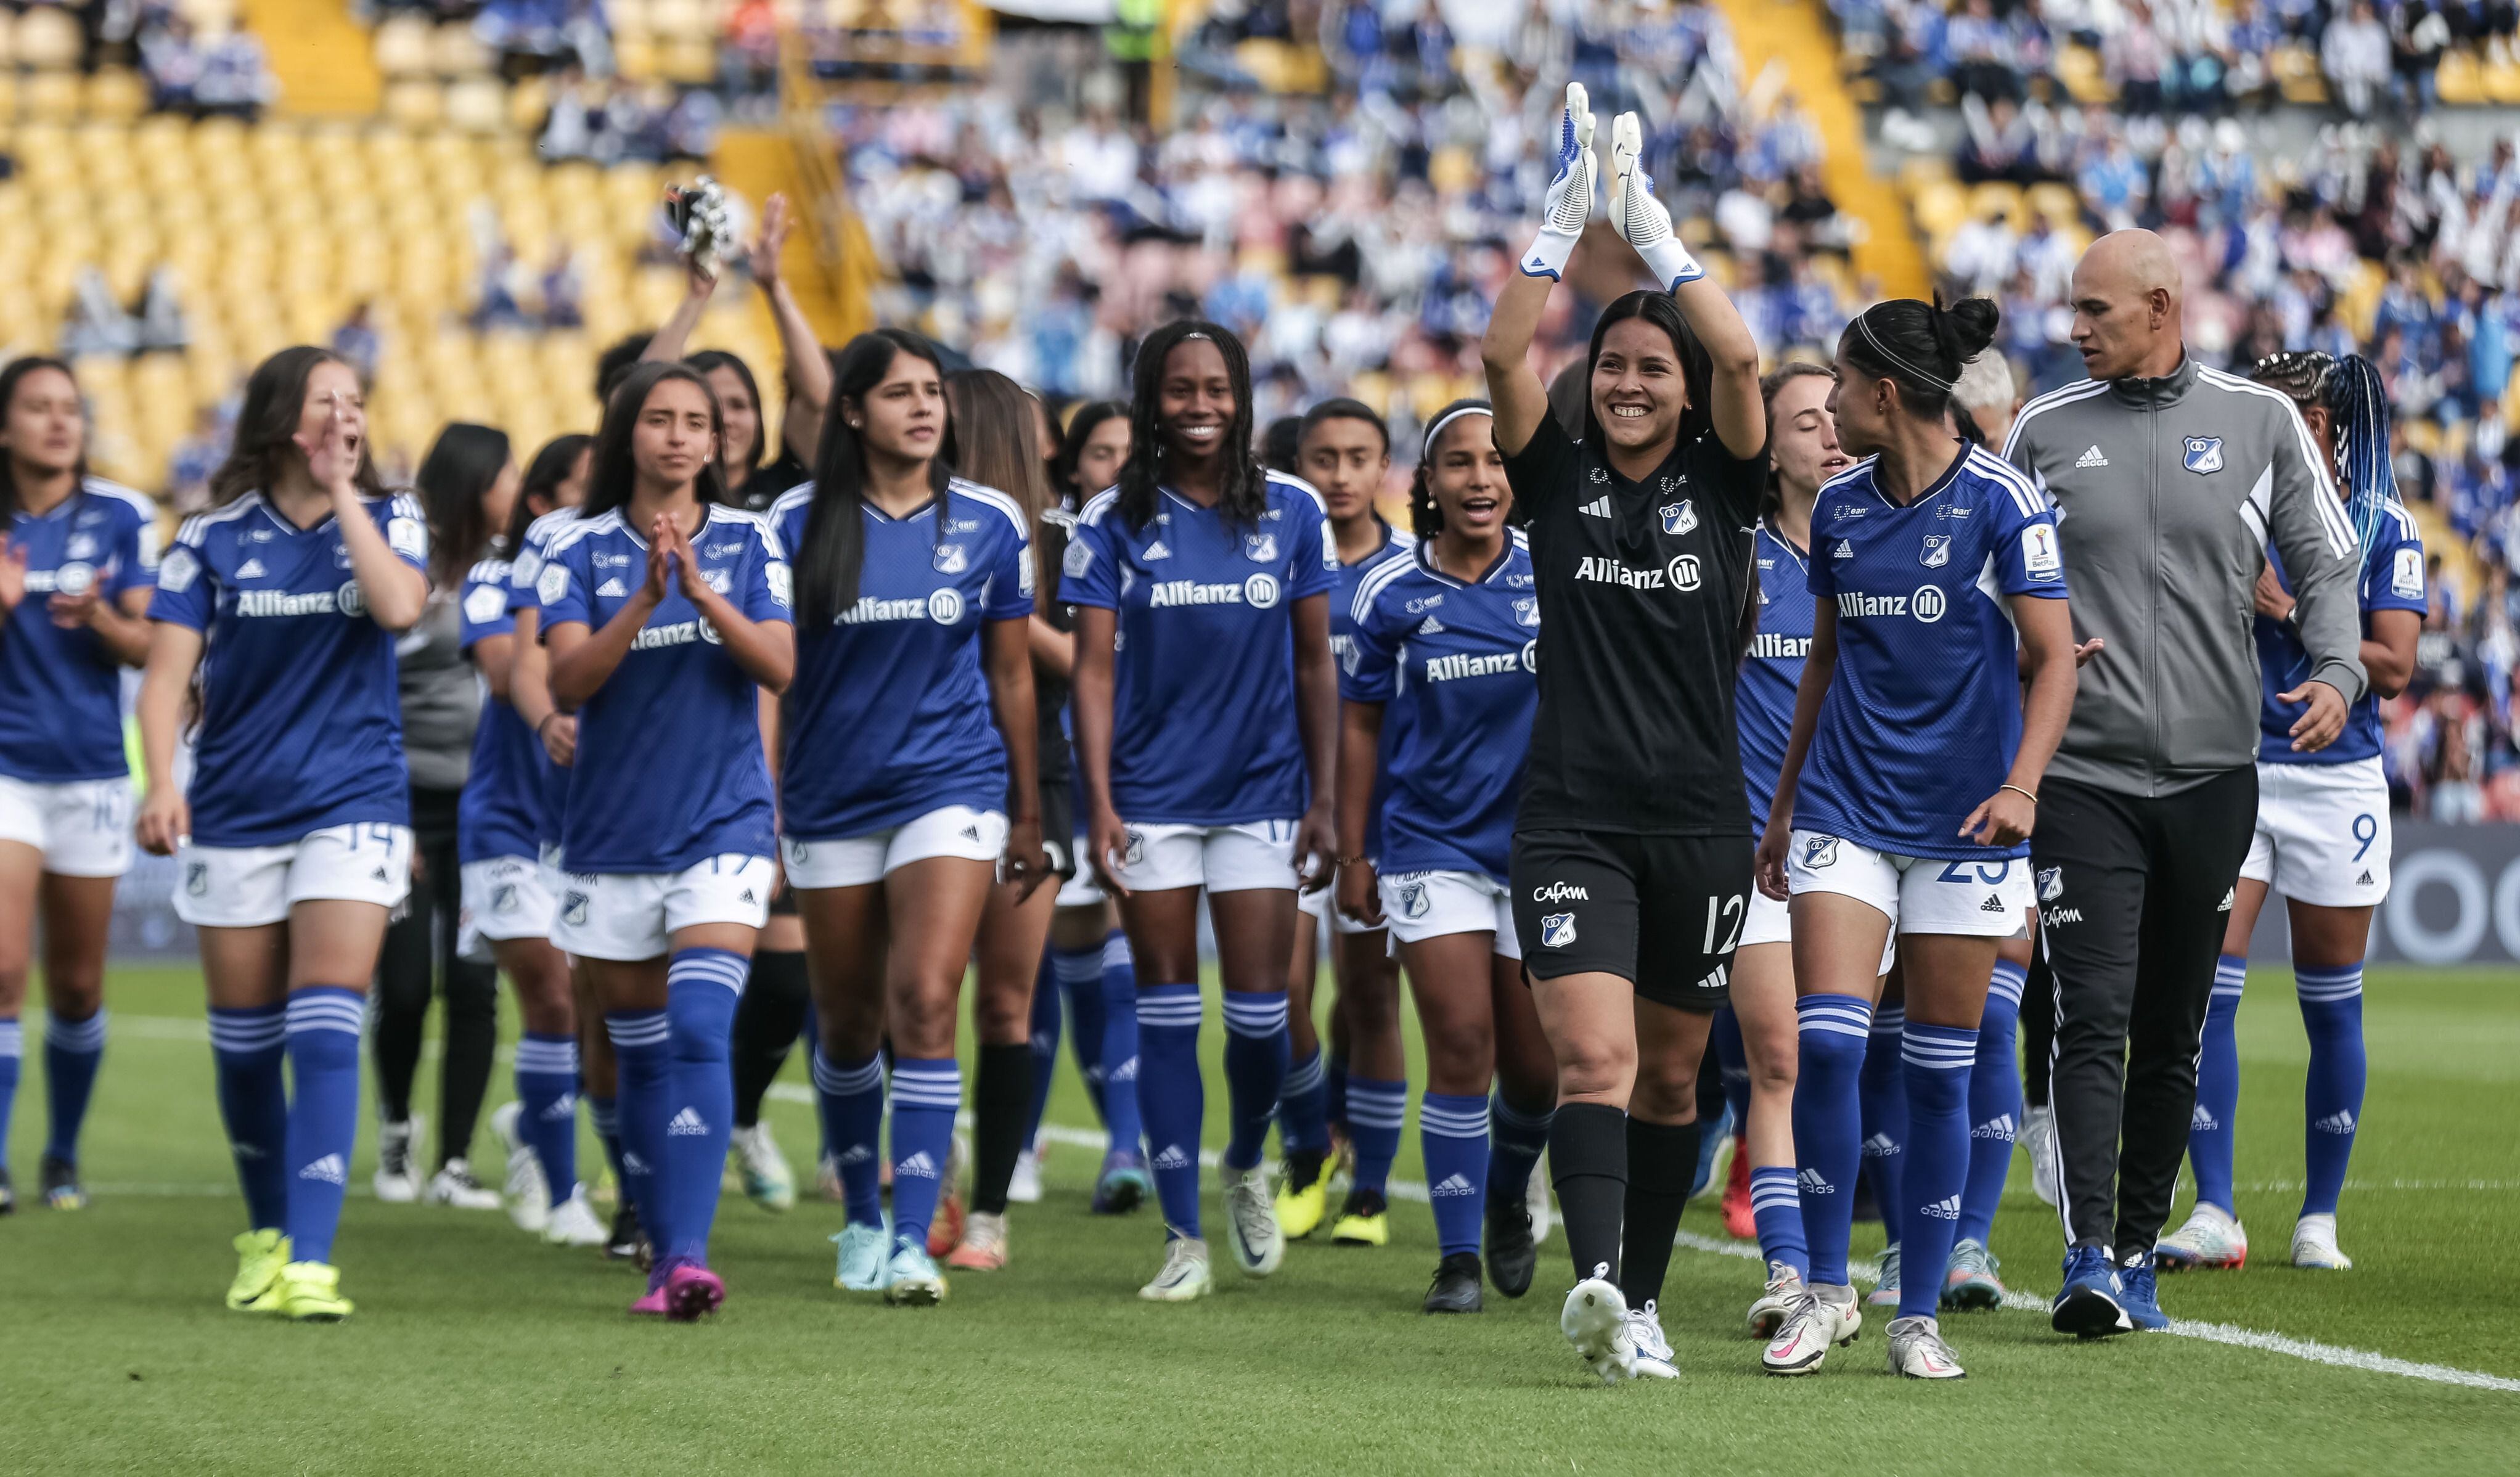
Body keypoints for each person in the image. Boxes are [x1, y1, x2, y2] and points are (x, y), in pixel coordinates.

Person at [2002, 230, 2367, 1338]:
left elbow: (2327, 558)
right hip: (2083, 777)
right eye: (2071, 311)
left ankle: (2133, 1253)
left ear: (2159, 306)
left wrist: (2340, 669)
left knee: (2171, 1026)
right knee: (2091, 1013)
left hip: (2215, 776)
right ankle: (2085, 1253)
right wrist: (2027, 655)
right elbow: (1988, 579)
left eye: (2094, 312)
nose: (2073, 329)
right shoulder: (2041, 430)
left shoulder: (2257, 424)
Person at [1480, 91, 1767, 1381]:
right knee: (1589, 1055)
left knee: (1670, 1082)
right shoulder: (1552, 477)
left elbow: (1745, 360)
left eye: (1654, 367)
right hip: (1573, 818)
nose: (1633, 382)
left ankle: (1637, 1297)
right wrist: (1555, 234)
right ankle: (1594, 1282)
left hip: (1701, 824)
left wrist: (1656, 238)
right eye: (1613, 366)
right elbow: (1498, 362)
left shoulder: (1727, 473)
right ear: (1589, 383)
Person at [1751, 297, 2077, 1381]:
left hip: (1963, 824)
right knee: (1830, 1045)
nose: (1829, 406)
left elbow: (2055, 657)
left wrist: (2022, 787)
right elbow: (1824, 661)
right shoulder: (1841, 508)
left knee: (1942, 1070)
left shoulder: (2002, 505)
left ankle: (1917, 1313)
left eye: (1839, 386)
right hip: (1844, 808)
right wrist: (1787, 800)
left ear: (1884, 394)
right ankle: (1826, 1293)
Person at [137, 345, 432, 1320]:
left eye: (356, 401)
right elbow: (166, 678)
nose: (346, 415)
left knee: (325, 1019)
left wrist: (347, 495)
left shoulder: (394, 518)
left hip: (353, 803)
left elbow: (397, 608)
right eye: (326, 401)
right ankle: (266, 1236)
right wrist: (162, 784)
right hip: (234, 809)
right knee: (244, 1045)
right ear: (280, 420)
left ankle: (312, 1259)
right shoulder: (210, 537)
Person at [1068, 319, 1341, 1302]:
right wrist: (1096, 801)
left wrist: (1325, 799)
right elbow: (1090, 675)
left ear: (1243, 398)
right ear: (1150, 401)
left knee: (1264, 1019)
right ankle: (1184, 1238)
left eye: (1216, 389)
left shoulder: (1295, 509)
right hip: (1149, 800)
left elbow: (1319, 664)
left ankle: (1244, 1163)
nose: (1199, 406)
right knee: (1169, 1014)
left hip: (1264, 796)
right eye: (1179, 390)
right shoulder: (1109, 521)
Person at [771, 331, 1044, 1303]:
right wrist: (766, 811)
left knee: (927, 1000)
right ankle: (858, 1219)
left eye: (933, 391)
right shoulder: (793, 525)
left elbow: (1012, 672)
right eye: (898, 394)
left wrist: (1025, 808)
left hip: (952, 788)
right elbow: (774, 686)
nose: (924, 408)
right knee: (848, 1025)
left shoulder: (991, 521)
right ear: (852, 411)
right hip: (829, 799)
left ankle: (915, 1241)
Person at [539, 361, 795, 1319]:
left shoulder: (750, 540)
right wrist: (646, 599)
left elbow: (778, 666)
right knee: (639, 1058)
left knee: (697, 1031)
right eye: (660, 419)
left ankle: (688, 1254)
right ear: (626, 435)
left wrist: (702, 592)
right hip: (612, 836)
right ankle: (660, 1250)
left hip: (723, 827)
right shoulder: (574, 550)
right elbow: (567, 685)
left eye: (698, 421)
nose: (682, 435)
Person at [2159, 353, 2423, 1276]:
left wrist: (2290, 606)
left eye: (2293, 415)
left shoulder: (2383, 523)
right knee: (2206, 989)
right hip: (2232, 765)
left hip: (2335, 778)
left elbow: (2392, 664)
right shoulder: (2229, 512)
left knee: (2331, 1003)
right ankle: (2216, 1209)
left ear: (2325, 426)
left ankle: (2319, 1218)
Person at [1335, 400, 1557, 1312]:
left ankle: (1510, 1187)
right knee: (1460, 1043)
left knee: (1538, 1072)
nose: (1481, 479)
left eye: (1497, 462)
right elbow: (1357, 726)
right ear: (1426, 483)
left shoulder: (1554, 575)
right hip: (1430, 843)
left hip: (1543, 845)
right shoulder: (1388, 591)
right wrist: (1358, 848)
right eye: (1459, 463)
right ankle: (1457, 1258)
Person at [648, 198, 827, 1214]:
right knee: (646, 996)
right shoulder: (659, 501)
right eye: (692, 408)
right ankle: (646, 1171)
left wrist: (771, 285)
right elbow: (636, 394)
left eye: (732, 407)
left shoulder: (788, 503)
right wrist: (695, 299)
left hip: (795, 735)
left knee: (788, 982)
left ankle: (741, 1114)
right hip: (679, 747)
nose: (721, 423)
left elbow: (822, 396)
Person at [0, 358, 156, 1214]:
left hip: (93, 770)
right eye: (37, 408)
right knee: (1, 968)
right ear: (6, 425)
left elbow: (153, 647)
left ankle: (62, 1155)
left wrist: (99, 617)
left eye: (70, 408)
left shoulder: (123, 514)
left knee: (79, 986)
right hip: (5, 771)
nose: (59, 422)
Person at [1720, 362, 1847, 1336]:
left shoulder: (1883, 549)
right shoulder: (1738, 559)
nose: (1831, 433)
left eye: (1838, 415)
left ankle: (1864, 1262)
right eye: (1807, 422)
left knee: (1863, 1065)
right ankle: (1789, 1270)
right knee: (1778, 1058)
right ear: (1770, 449)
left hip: (1864, 849)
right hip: (1757, 854)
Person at [456, 433, 606, 1246]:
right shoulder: (494, 578)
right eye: (585, 486)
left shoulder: (627, 576)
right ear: (542, 503)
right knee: (549, 999)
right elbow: (504, 666)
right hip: (510, 821)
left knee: (605, 1019)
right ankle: (562, 1190)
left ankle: (530, 1126)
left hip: (600, 830)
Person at [931, 365, 1062, 1271]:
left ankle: (989, 1216)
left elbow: (1091, 661)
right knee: (926, 999)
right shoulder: (911, 529)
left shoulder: (1056, 538)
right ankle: (932, 1181)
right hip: (928, 777)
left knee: (1006, 1004)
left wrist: (1005, 609)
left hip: (1030, 786)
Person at [1280, 396, 1415, 1247]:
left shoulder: (1411, 568)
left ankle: (1367, 1189)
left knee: (1369, 997)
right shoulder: (1280, 559)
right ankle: (1304, 1157)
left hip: (1382, 819)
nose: (1339, 475)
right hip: (1286, 810)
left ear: (1383, 469)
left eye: (1357, 457)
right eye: (1323, 458)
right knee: (1280, 998)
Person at [370, 423, 511, 1212]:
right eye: (506, 473)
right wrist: (386, 806)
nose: (516, 487)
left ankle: (455, 1160)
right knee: (403, 982)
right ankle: (397, 1128)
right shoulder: (397, 566)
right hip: (399, 803)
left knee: (473, 980)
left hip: (480, 804)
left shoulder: (505, 570)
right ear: (474, 479)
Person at [1017, 399, 1152, 1213]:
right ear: (1075, 468)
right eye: (1103, 453)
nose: (1119, 468)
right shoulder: (1059, 545)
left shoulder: (1171, 544)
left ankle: (1125, 1146)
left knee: (1125, 963)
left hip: (1143, 768)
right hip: (1055, 768)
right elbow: (1073, 661)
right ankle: (1029, 1141)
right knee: (1047, 958)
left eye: (1132, 453)